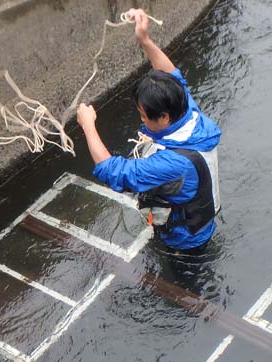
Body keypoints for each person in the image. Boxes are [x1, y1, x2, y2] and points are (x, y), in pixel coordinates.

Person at [76, 8, 222, 252]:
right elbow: (172, 75)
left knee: (182, 276)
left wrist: (88, 125)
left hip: (185, 241)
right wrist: (144, 39)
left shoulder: (174, 163)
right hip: (201, 220)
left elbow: (114, 172)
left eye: (144, 117)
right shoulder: (189, 114)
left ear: (164, 117)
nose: (142, 122)